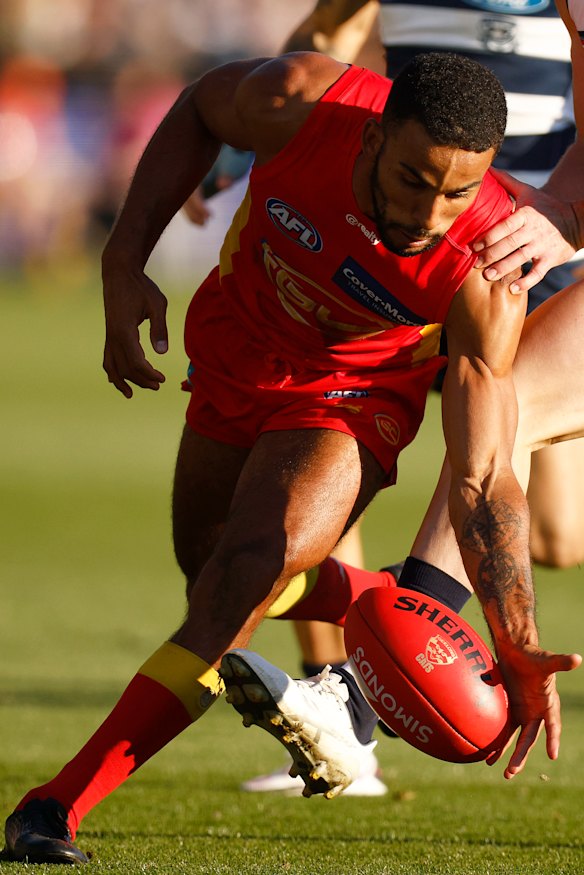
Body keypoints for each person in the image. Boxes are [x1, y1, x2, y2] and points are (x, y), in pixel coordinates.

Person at [2, 51, 578, 865]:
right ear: (376, 135)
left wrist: (512, 632)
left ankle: (54, 803)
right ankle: (378, 600)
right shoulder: (302, 101)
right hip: (241, 347)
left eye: (458, 192)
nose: (430, 213)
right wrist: (124, 257)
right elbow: (201, 106)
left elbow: (484, 476)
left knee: (239, 579)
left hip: (354, 395)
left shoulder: (486, 269)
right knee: (207, 565)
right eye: (414, 179)